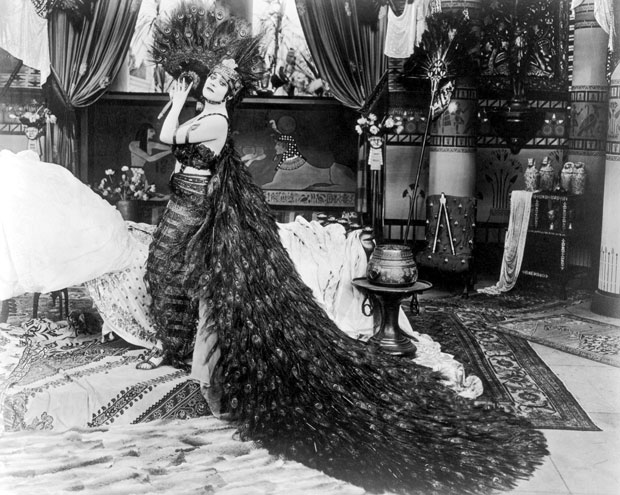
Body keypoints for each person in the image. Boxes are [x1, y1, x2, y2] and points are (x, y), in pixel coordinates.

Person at [138, 4, 548, 494]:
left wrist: (179, 103)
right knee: (181, 279)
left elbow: (172, 137)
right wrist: (180, 99)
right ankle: (188, 355)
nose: (213, 86)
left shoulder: (215, 122)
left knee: (192, 281)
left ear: (231, 91)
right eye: (211, 79)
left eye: (222, 83)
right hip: (187, 201)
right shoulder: (205, 112)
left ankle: (201, 364)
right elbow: (171, 138)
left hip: (196, 206)